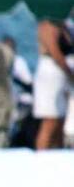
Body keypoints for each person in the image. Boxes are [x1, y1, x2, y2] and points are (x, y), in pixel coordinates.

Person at [33, 15, 74, 149]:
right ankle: (41, 157)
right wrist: (69, 72)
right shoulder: (48, 26)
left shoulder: (64, 25)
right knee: (50, 119)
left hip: (59, 74)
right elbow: (55, 52)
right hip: (51, 73)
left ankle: (57, 154)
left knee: (60, 120)